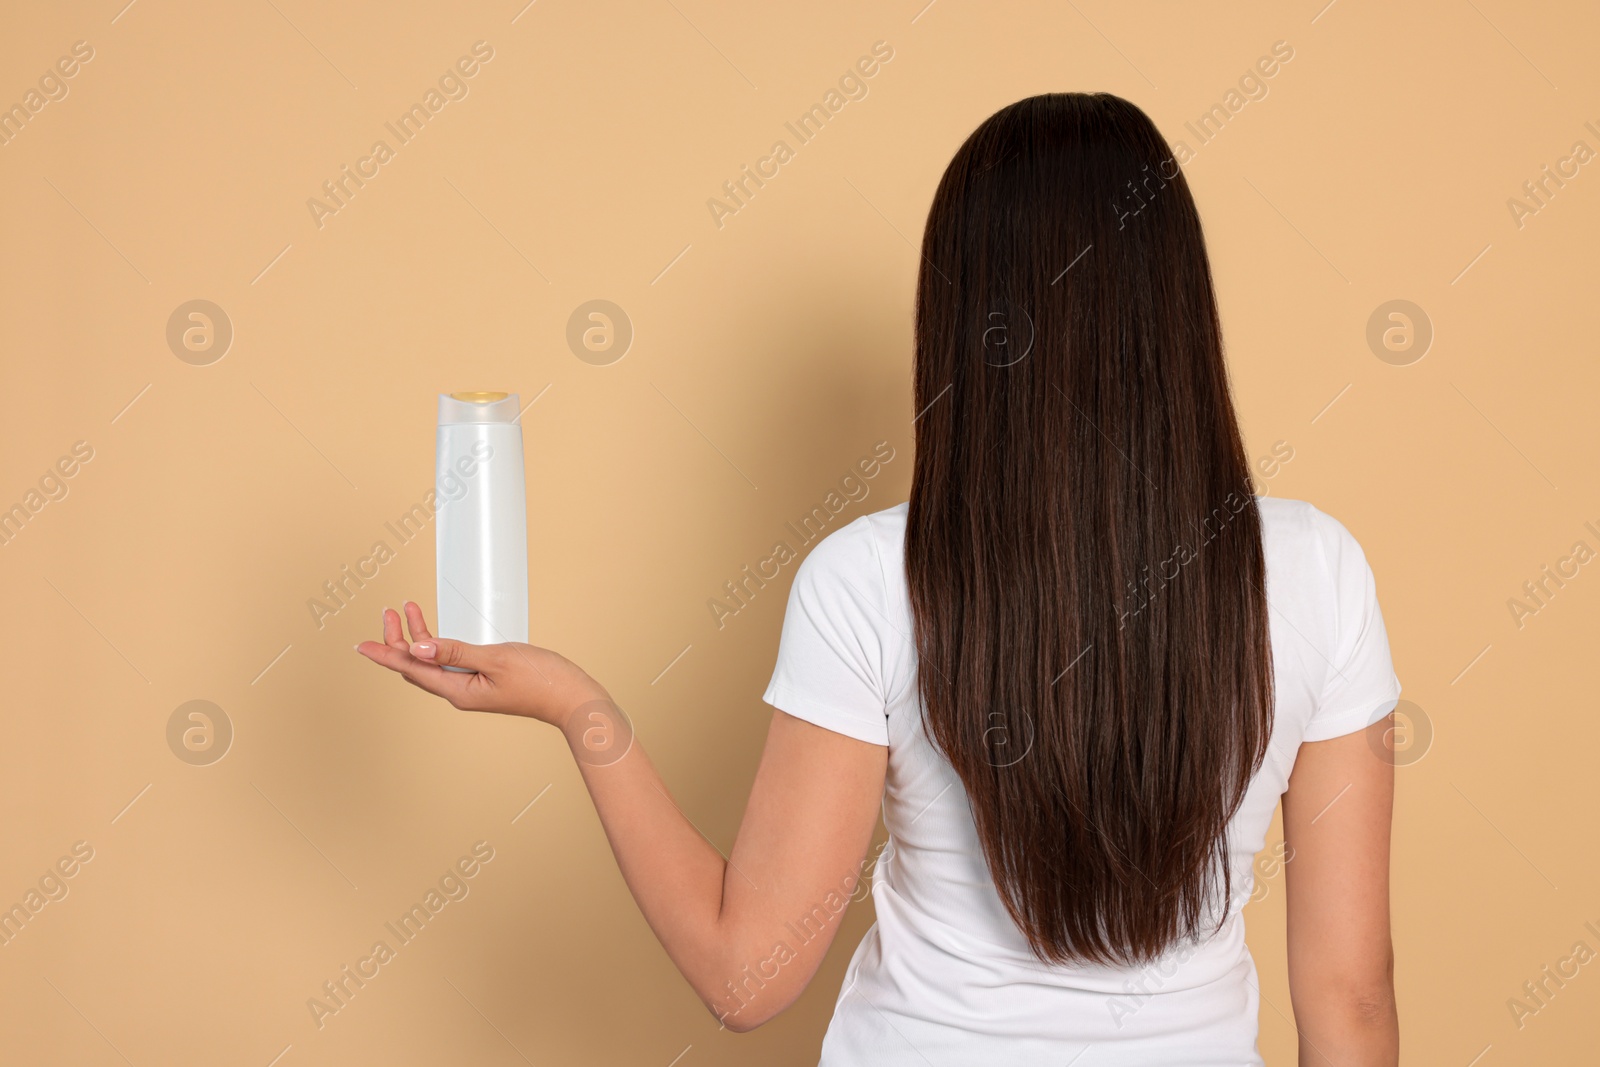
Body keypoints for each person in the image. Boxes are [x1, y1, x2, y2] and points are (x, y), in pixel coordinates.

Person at [357, 92, 1402, 1066]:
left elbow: (746, 975)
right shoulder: (1320, 572)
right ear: (1177, 311)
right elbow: (1348, 994)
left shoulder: (866, 581)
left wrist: (579, 709)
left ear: (962, 318)